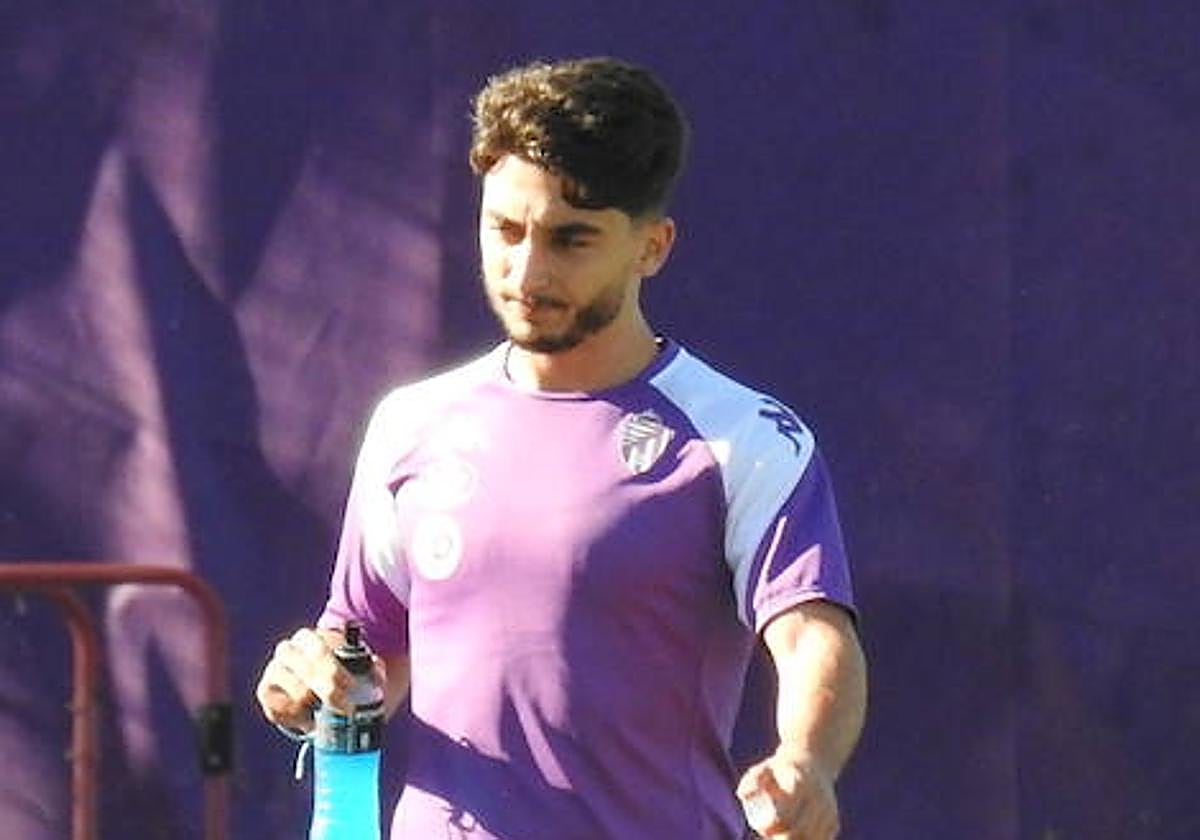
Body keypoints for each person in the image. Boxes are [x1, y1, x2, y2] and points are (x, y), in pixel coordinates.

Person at [256, 56, 867, 840]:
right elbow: (368, 653)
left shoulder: (740, 439)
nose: (527, 270)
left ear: (652, 247)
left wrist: (806, 761)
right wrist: (310, 686)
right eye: (505, 231)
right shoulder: (411, 424)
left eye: (571, 240)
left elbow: (812, 632)